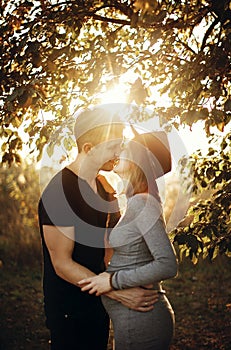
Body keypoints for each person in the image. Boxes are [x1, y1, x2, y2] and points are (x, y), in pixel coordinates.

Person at [38, 106, 159, 350]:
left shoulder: (106, 189)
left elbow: (108, 249)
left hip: (98, 304)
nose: (119, 152)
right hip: (69, 310)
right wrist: (115, 291)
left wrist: (126, 281)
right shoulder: (59, 193)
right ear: (88, 149)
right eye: (112, 146)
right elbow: (62, 263)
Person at [79, 129, 178, 350]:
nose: (118, 153)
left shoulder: (143, 203)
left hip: (143, 322)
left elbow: (168, 264)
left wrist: (112, 282)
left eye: (125, 149)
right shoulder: (135, 203)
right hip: (133, 323)